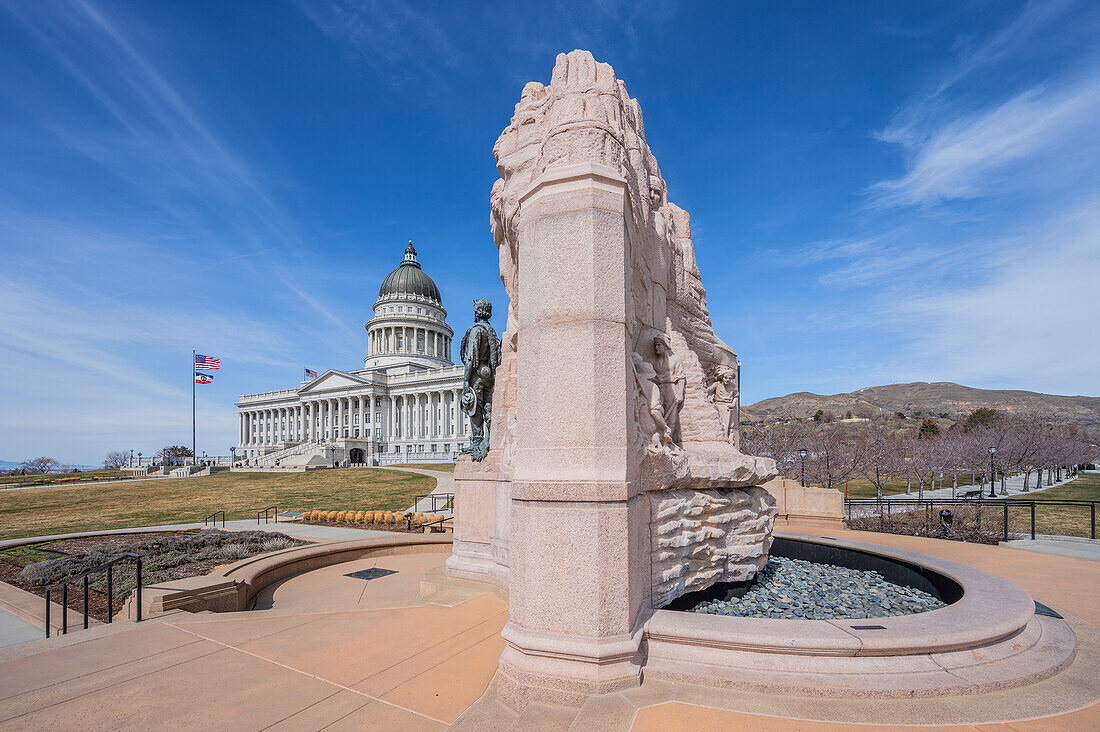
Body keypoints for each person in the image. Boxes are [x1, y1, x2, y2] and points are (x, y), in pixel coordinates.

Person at [652, 334, 686, 445]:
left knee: (672, 416)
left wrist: (680, 393)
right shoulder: (653, 361)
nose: (656, 347)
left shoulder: (676, 359)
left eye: (659, 345)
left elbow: (681, 378)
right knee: (658, 411)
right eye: (655, 345)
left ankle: (669, 439)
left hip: (671, 387)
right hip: (658, 388)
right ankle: (660, 434)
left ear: (665, 346)